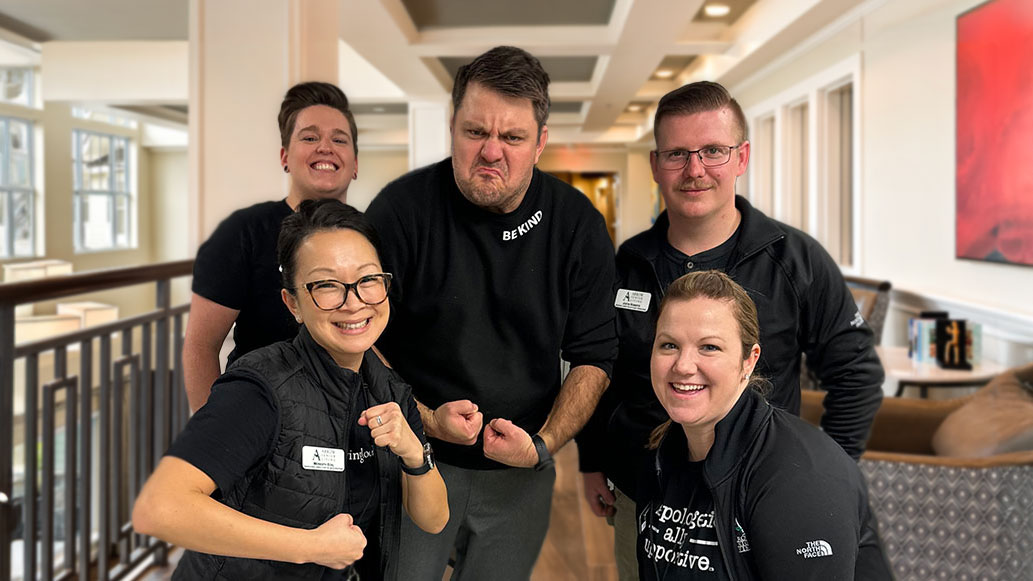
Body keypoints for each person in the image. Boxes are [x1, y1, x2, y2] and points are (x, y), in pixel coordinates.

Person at [577, 80, 884, 579]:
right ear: (655, 165)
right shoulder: (626, 265)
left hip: (762, 498)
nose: (694, 170)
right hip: (648, 499)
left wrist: (827, 470)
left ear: (741, 157)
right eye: (677, 154)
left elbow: (855, 372)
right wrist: (593, 459)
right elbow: (601, 370)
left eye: (713, 151)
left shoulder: (796, 261)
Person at [364, 46, 618, 579]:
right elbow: (359, 336)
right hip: (415, 458)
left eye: (513, 137)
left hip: (520, 471)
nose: (491, 152)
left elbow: (595, 356)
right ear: (453, 126)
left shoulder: (577, 225)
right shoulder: (401, 210)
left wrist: (542, 446)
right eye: (475, 132)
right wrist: (425, 419)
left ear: (541, 143)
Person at [133, 200, 448, 580]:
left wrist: (414, 451)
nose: (354, 302)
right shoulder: (261, 387)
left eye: (368, 280)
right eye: (328, 286)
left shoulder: (390, 390)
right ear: (293, 303)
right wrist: (312, 546)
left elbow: (433, 519)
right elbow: (160, 508)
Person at [636, 270, 890, 580]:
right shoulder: (664, 455)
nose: (683, 365)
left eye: (709, 347)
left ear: (749, 360)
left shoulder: (797, 479)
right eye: (669, 345)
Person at [184, 81, 360, 412]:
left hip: (355, 422)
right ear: (285, 157)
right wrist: (215, 438)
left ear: (354, 163)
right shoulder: (243, 232)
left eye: (340, 139)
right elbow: (200, 347)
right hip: (264, 416)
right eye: (309, 138)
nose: (326, 147)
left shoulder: (372, 237)